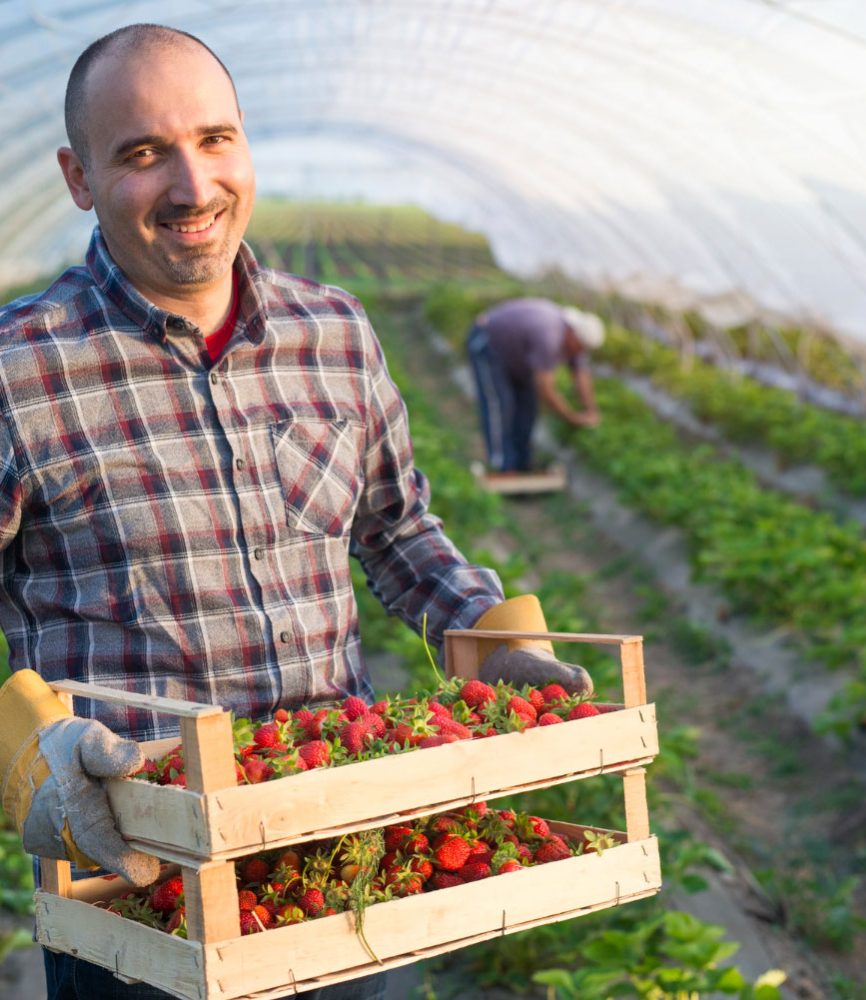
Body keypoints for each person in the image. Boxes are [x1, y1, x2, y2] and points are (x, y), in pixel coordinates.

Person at [0, 24, 592, 1000]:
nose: (193, 186)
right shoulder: (21, 366)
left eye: (214, 139)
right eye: (143, 154)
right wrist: (29, 746)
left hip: (338, 864)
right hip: (137, 887)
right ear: (77, 176)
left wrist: (491, 635)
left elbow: (395, 530)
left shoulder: (334, 332)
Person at [466, 297, 605, 473]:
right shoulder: (549, 335)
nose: (580, 352)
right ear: (573, 334)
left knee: (527, 407)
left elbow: (581, 375)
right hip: (488, 343)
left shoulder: (574, 342)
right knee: (499, 405)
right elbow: (545, 389)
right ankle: (502, 465)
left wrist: (590, 410)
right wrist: (570, 417)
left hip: (518, 357)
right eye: (580, 346)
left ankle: (522, 462)